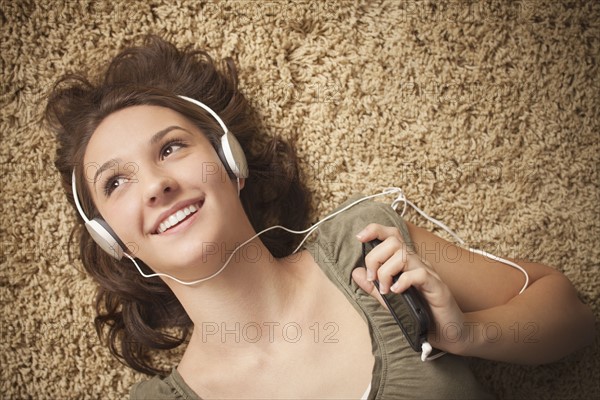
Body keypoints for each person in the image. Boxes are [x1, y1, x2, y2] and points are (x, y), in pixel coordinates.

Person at [45, 36, 594, 399]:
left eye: (171, 149)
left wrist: (469, 333)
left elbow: (572, 316)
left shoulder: (368, 245)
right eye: (116, 182)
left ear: (231, 162)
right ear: (113, 239)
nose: (156, 184)